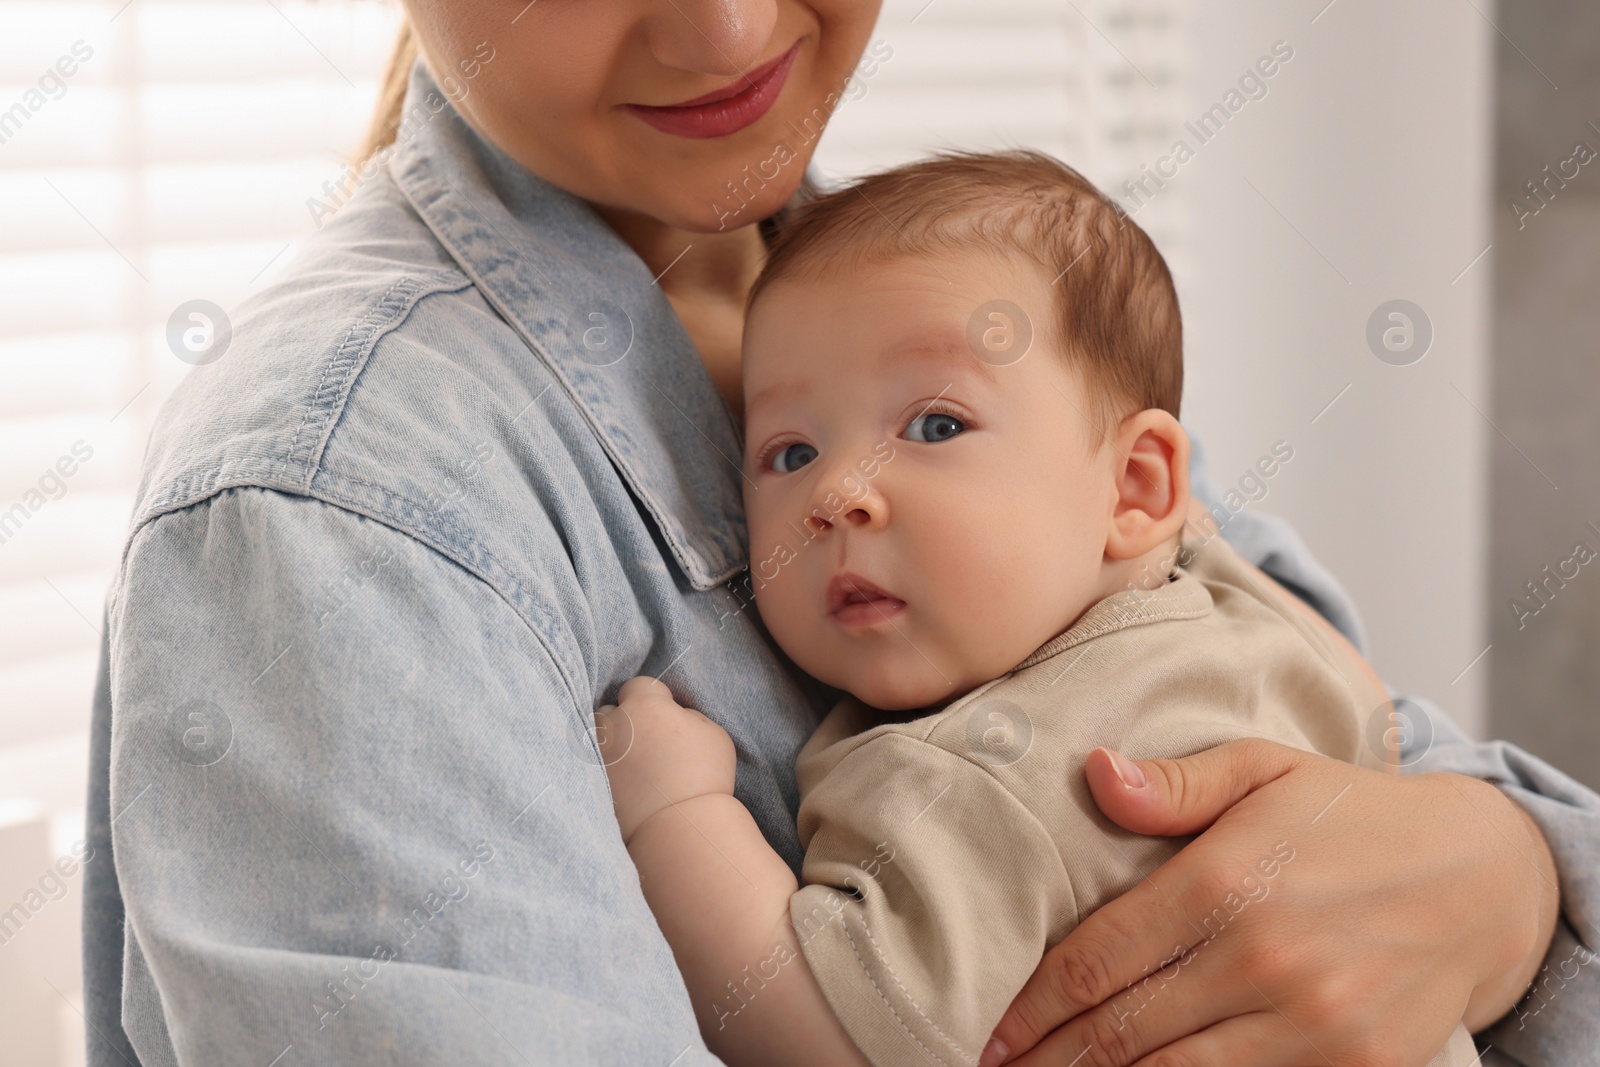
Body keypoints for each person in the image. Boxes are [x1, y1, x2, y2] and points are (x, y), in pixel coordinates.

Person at [80, 3, 1596, 1065]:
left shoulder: (936, 287)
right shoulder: (343, 518)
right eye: (786, 457)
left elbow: (1345, 715)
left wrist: (1510, 875)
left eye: (933, 432)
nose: (734, 30)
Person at [593, 150, 1477, 1067]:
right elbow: (1376, 717)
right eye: (789, 452)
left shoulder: (973, 777)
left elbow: (826, 1036)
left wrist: (674, 814)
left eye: (935, 425)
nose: (838, 494)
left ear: (1136, 484)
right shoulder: (1239, 604)